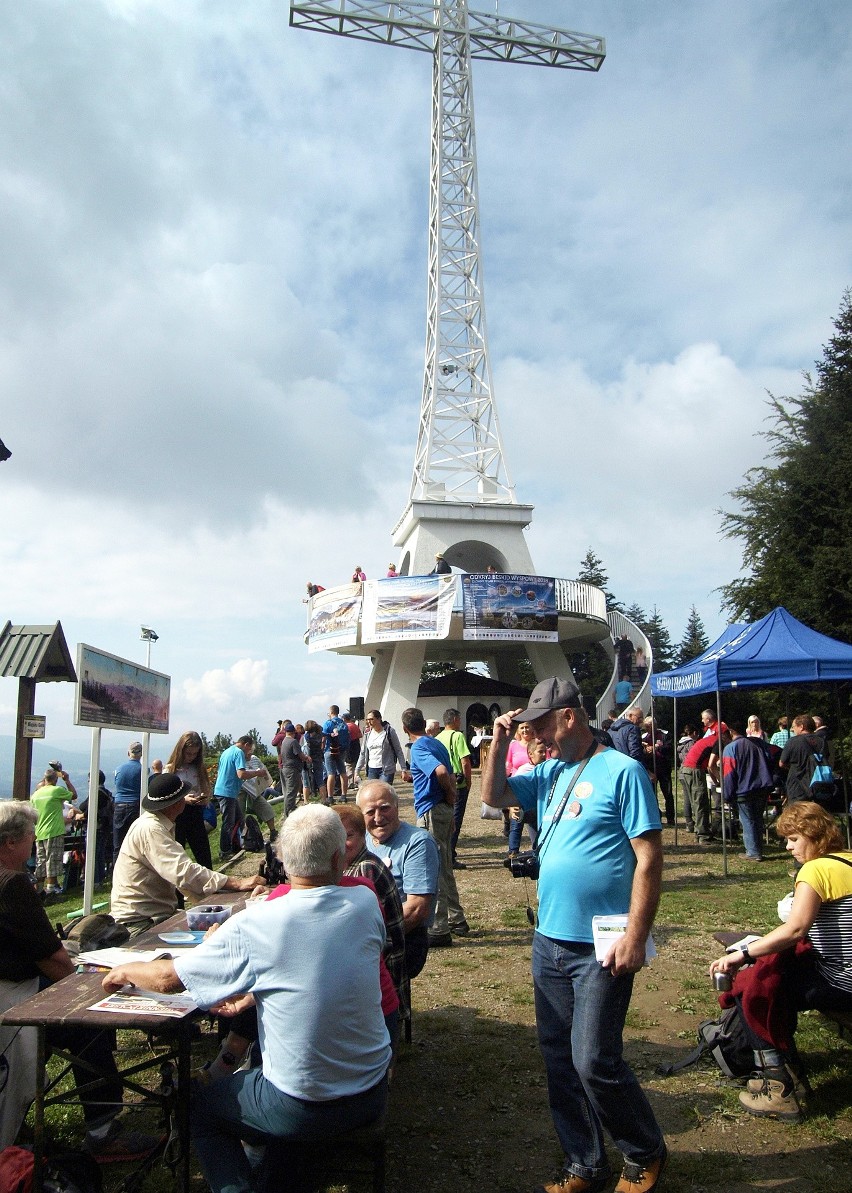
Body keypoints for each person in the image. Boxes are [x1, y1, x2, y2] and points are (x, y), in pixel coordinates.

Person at [103, 805, 391, 1193]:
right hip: (371, 1088)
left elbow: (170, 979)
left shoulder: (259, 922)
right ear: (341, 857)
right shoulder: (364, 903)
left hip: (302, 1103)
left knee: (201, 1109)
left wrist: (124, 971)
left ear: (284, 860)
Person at [482, 676, 667, 1193]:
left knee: (594, 1061)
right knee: (559, 1060)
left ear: (568, 717)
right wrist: (500, 740)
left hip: (602, 945)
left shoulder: (622, 771)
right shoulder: (548, 773)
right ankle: (584, 1164)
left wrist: (636, 933)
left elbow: (649, 859)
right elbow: (494, 794)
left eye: (540, 725)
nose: (533, 736)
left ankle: (645, 1150)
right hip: (549, 941)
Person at [0, 801, 159, 1159]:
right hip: (14, 997)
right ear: (11, 842)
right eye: (29, 835)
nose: (32, 841)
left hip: (10, 988)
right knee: (91, 1022)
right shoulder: (10, 883)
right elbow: (51, 958)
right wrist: (86, 987)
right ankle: (103, 1131)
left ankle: (21, 1118)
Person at [710, 801, 852, 1122]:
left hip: (844, 984)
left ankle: (778, 1085)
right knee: (779, 973)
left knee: (755, 985)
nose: (788, 847)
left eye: (793, 839)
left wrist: (743, 954)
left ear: (813, 835)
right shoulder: (848, 861)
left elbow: (796, 927)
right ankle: (789, 1067)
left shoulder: (815, 870)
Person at [110, 773, 266, 935]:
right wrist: (237, 883)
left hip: (151, 915)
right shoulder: (151, 829)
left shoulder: (155, 824)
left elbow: (182, 878)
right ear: (176, 803)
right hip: (140, 922)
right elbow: (183, 872)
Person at [335, 803, 408, 1035]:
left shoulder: (365, 869)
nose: (342, 843)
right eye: (337, 837)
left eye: (349, 836)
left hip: (384, 971)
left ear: (363, 835)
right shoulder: (353, 864)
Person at [356, 780, 439, 981]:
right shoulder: (360, 840)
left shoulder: (418, 842)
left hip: (403, 936)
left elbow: (417, 909)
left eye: (384, 808)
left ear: (397, 807)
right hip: (363, 930)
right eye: (370, 812)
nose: (378, 817)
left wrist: (367, 937)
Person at [402, 707, 468, 946]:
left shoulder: (418, 747)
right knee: (445, 864)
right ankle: (457, 919)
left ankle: (439, 929)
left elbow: (439, 772)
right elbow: (449, 772)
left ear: (405, 728)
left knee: (434, 866)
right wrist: (451, 802)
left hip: (430, 808)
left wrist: (449, 795)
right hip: (442, 809)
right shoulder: (436, 744)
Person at [721, 725, 774, 861]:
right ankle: (757, 849)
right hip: (762, 788)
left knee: (748, 821)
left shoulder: (730, 748)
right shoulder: (760, 744)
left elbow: (729, 774)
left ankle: (753, 852)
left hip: (743, 790)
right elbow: (772, 760)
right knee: (757, 819)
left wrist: (727, 794)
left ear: (731, 731)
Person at [166, 730, 213, 869]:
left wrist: (204, 798)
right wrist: (183, 799)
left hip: (196, 812)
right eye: (188, 753)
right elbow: (166, 796)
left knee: (202, 851)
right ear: (181, 751)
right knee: (178, 852)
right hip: (177, 815)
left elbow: (205, 788)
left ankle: (209, 881)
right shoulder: (171, 769)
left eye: (195, 754)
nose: (191, 757)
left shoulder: (198, 768)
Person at [213, 735, 264, 860]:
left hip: (223, 789)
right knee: (228, 822)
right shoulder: (238, 753)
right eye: (249, 749)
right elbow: (241, 774)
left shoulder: (227, 751)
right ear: (246, 744)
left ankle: (238, 844)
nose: (249, 752)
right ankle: (225, 851)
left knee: (239, 819)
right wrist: (257, 772)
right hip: (228, 791)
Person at [437, 708, 473, 870]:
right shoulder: (458, 736)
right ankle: (450, 856)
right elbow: (465, 761)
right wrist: (468, 781)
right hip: (458, 783)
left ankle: (443, 854)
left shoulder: (437, 738)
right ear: (456, 720)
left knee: (444, 820)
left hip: (442, 783)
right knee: (455, 821)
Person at [31, 768, 70, 896]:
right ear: (56, 779)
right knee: (52, 862)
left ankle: (39, 891)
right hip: (54, 830)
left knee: (40, 863)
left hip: (39, 832)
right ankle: (50, 891)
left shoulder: (35, 794)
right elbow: (73, 795)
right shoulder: (56, 790)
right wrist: (67, 780)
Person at [778, 715, 827, 805]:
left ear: (801, 727)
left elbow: (781, 763)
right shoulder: (822, 741)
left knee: (797, 815)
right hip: (819, 784)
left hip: (797, 785)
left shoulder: (793, 741)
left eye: (793, 727)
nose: (792, 730)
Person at [112, 740, 144, 861]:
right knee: (135, 844)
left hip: (119, 805)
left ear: (128, 753)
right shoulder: (143, 770)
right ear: (141, 754)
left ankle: (116, 873)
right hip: (135, 805)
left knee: (118, 844)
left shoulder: (119, 769)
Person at [357, 709, 408, 785]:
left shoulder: (389, 731)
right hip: (372, 768)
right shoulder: (367, 733)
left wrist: (403, 769)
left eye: (371, 719)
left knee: (384, 793)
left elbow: (398, 750)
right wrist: (357, 770)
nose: (368, 722)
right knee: (373, 793)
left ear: (379, 719)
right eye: (367, 720)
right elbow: (363, 752)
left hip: (386, 769)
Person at [240, 752, 279, 843]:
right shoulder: (239, 760)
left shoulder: (254, 758)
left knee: (266, 808)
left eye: (250, 752)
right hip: (241, 790)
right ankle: (242, 839)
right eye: (247, 753)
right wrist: (256, 773)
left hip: (254, 790)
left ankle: (273, 832)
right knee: (240, 815)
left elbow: (263, 769)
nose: (249, 755)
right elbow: (241, 774)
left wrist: (263, 775)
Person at [322, 705, 350, 804]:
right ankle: (343, 795)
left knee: (331, 773)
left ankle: (330, 797)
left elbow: (323, 738)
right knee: (342, 772)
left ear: (330, 712)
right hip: (341, 750)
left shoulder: (328, 723)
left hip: (329, 750)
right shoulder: (344, 723)